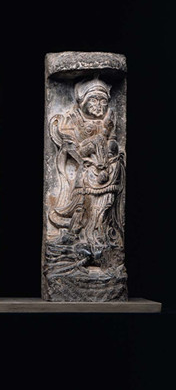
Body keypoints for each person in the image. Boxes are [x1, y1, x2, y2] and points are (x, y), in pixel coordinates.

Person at [48, 77, 125, 261]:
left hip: (107, 171)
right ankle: (80, 237)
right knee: (84, 206)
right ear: (83, 102)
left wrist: (110, 145)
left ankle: (102, 237)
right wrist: (96, 141)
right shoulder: (73, 120)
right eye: (94, 100)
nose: (99, 105)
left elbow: (113, 143)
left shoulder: (109, 119)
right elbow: (75, 150)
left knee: (105, 207)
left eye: (103, 101)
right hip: (87, 170)